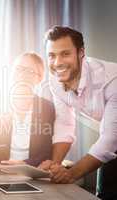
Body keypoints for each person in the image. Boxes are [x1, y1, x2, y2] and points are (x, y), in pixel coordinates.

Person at [40, 26, 117, 200]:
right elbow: (65, 124)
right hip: (112, 145)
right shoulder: (55, 81)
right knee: (104, 195)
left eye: (65, 54)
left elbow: (110, 139)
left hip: (112, 141)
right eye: (52, 55)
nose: (57, 62)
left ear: (81, 53)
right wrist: (55, 164)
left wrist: (71, 173)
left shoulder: (112, 79)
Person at [0, 52, 55, 173]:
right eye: (18, 69)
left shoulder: (47, 108)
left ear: (39, 78)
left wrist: (24, 164)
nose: (22, 75)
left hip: (32, 173)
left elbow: (46, 152)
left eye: (29, 71)